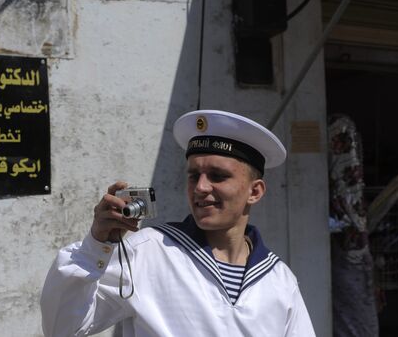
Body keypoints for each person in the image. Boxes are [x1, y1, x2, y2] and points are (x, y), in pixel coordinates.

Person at [41, 110, 316, 336]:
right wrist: (95, 246)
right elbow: (64, 328)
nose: (201, 187)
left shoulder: (279, 280)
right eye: (194, 175)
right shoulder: (147, 252)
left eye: (218, 176)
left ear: (254, 191)